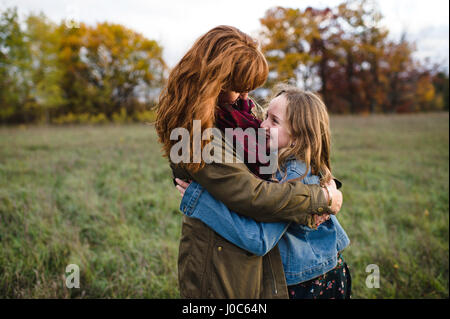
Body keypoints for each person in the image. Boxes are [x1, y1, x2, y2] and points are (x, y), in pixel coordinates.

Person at [155, 25, 343, 298]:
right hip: (221, 257)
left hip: (251, 253)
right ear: (214, 82)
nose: (248, 98)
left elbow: (296, 148)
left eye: (249, 89)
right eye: (239, 88)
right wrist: (320, 198)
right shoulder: (196, 134)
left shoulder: (239, 110)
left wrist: (324, 184)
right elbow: (253, 195)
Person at [176, 85, 351, 299]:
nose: (262, 125)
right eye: (266, 116)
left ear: (298, 136)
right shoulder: (297, 162)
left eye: (274, 121)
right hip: (325, 271)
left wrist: (201, 202)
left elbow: (258, 240)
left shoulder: (292, 175)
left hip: (309, 285)